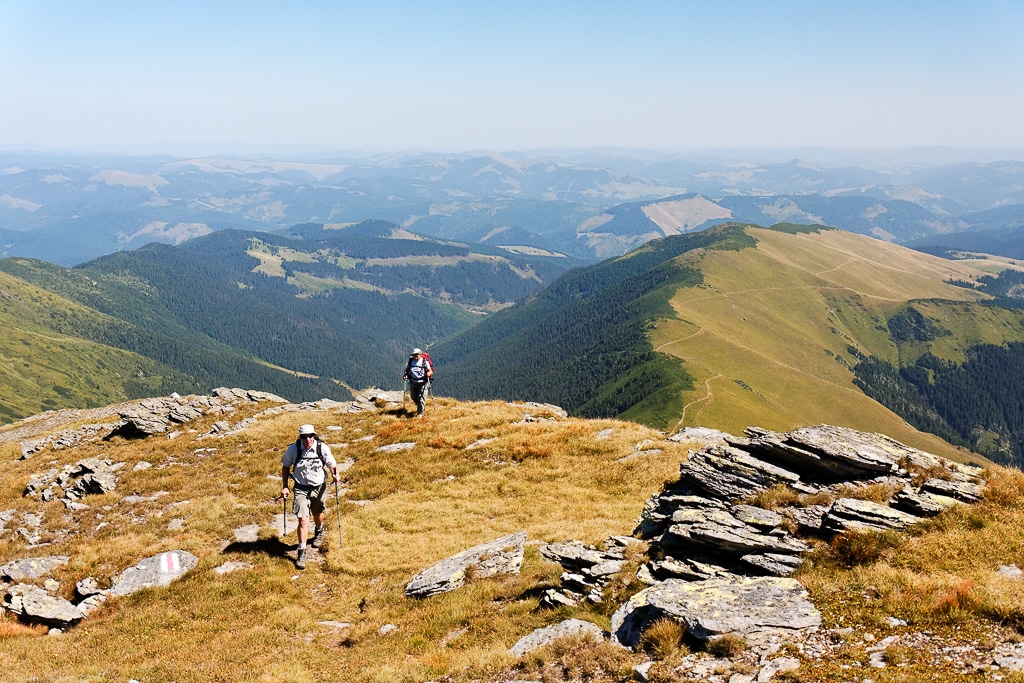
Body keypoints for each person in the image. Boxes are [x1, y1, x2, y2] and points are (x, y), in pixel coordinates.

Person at [280, 424, 339, 569]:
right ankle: (302, 552)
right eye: (305, 437)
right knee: (303, 519)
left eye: (310, 436)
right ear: (300, 437)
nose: (308, 440)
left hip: (318, 485)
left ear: (314, 436)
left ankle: (319, 530)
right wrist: (285, 486)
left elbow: (331, 463)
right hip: (300, 486)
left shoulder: (321, 447)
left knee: (317, 513)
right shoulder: (293, 449)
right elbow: (285, 466)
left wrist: (335, 473)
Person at [403, 347, 434, 417]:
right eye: (414, 355)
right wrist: (405, 375)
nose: (415, 356)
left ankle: (420, 413)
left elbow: (430, 371)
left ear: (420, 354)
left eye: (417, 354)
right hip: (413, 382)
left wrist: (428, 374)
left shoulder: (424, 362)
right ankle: (421, 407)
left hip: (423, 382)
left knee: (421, 397)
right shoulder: (411, 361)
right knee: (413, 396)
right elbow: (407, 370)